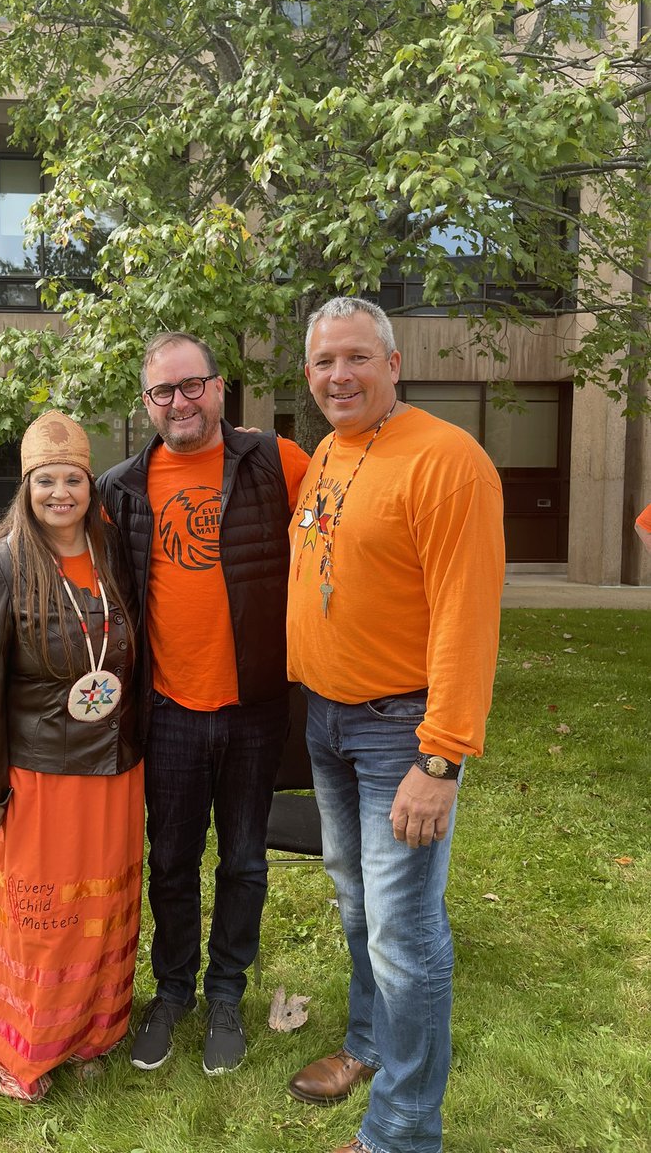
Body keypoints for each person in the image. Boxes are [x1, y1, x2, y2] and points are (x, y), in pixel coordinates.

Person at [285, 297, 505, 1153]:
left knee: (405, 933)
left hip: (403, 733)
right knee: (355, 900)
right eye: (323, 363)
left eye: (355, 358)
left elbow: (467, 619)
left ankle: (404, 1133)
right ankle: (370, 1046)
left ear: (393, 361)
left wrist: (441, 760)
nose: (339, 375)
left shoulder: (449, 462)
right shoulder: (332, 454)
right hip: (328, 721)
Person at [98, 332, 310, 1075]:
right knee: (172, 861)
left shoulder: (278, 463)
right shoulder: (120, 487)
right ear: (147, 403)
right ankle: (174, 991)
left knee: (246, 861)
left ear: (220, 388)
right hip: (170, 711)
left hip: (255, 707)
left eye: (194, 386)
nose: (181, 402)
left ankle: (228, 993)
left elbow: (342, 540)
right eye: (164, 391)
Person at [0, 410, 144, 1102]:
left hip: (115, 771)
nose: (60, 492)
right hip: (40, 777)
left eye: (73, 479)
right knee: (43, 920)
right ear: (27, 487)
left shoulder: (110, 551)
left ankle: (87, 1034)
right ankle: (19, 1044)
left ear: (89, 486)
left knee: (97, 917)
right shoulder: (1, 564)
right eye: (46, 481)